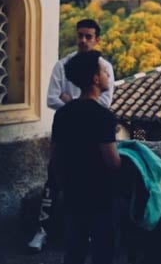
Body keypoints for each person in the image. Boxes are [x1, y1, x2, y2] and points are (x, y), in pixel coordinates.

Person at [29, 19, 115, 252]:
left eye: (88, 36)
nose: (83, 40)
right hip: (72, 131)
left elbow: (105, 102)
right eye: (80, 36)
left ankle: (79, 237)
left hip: (83, 131)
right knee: (53, 181)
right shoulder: (62, 65)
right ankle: (43, 230)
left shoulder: (104, 66)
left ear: (97, 39)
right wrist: (81, 104)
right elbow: (51, 98)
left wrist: (71, 102)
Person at [51, 51, 121, 264]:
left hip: (73, 192)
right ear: (95, 79)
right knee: (103, 251)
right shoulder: (103, 116)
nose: (108, 75)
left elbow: (55, 157)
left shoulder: (62, 114)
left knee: (74, 251)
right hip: (100, 195)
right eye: (104, 71)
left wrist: (62, 187)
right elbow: (111, 161)